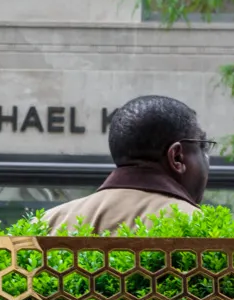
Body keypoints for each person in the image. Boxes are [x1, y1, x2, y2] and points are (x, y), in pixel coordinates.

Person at [43, 94, 213, 233]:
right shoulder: (204, 229)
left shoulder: (46, 224)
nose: (206, 159)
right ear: (177, 157)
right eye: (203, 146)